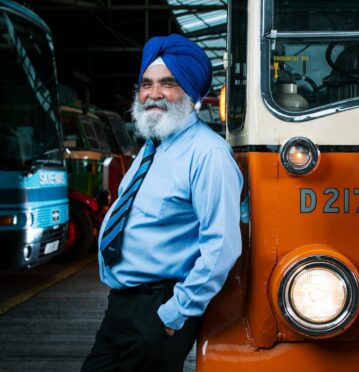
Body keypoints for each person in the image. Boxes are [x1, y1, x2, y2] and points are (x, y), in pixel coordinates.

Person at [81, 34, 243, 372]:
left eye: (168, 83)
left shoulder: (208, 154)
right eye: (146, 84)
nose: (153, 94)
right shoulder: (153, 147)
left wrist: (176, 312)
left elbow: (222, 247)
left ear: (191, 93)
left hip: (158, 309)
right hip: (122, 305)